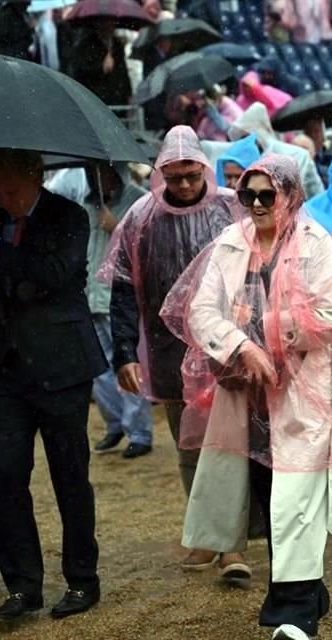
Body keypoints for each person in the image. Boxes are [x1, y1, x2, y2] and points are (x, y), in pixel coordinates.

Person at [160, 153, 332, 640]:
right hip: (246, 392)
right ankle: (307, 590)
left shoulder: (317, 246)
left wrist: (273, 332)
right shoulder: (230, 244)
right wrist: (242, 345)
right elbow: (201, 311)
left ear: (291, 194)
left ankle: (293, 612)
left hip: (304, 390)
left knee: (298, 495)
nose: (258, 204)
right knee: (269, 493)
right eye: (249, 195)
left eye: (268, 194)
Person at [0, 149, 105, 620]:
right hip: (6, 366)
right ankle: (23, 586)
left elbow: (54, 276)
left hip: (62, 366)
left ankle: (82, 580)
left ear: (36, 177)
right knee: (7, 476)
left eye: (13, 190)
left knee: (69, 476)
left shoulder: (69, 216)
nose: (6, 199)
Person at [108, 126, 238, 571]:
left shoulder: (230, 209)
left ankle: (233, 540)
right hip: (167, 350)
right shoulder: (141, 218)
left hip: (226, 345)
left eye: (190, 176)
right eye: (174, 176)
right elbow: (123, 287)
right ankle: (205, 533)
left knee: (230, 441)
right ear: (160, 173)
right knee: (189, 443)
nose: (183, 185)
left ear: (204, 169)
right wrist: (124, 349)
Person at [83, 161, 154, 459]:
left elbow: (149, 246)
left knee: (129, 365)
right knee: (99, 368)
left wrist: (117, 229)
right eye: (91, 171)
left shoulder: (139, 200)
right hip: (91, 292)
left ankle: (139, 431)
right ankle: (114, 424)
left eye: (100, 170)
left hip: (122, 295)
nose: (96, 176)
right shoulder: (87, 204)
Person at [226, 103, 325, 198]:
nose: (247, 143)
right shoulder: (240, 161)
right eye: (243, 139)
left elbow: (307, 192)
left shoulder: (294, 154)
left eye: (248, 137)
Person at [72, 18, 132, 108]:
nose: (110, 26)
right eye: (106, 22)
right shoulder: (87, 45)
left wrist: (128, 93)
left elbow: (123, 71)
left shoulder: (117, 44)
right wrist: (101, 68)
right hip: (98, 98)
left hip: (117, 98)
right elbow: (82, 71)